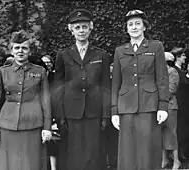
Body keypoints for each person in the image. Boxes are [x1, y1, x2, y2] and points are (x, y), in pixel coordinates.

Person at [111, 9, 169, 170]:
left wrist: (163, 106)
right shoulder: (120, 51)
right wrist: (114, 110)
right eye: (130, 24)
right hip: (126, 107)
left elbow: (162, 78)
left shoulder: (156, 47)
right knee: (127, 152)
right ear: (126, 28)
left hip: (149, 105)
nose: (134, 27)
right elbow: (116, 82)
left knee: (148, 150)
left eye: (138, 23)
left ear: (144, 27)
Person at [53, 8, 110, 170]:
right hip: (71, 113)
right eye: (77, 27)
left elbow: (106, 86)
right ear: (71, 30)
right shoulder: (63, 55)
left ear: (90, 28)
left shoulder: (101, 55)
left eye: (84, 27)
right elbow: (58, 88)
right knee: (72, 155)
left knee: (95, 154)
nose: (81, 31)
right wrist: (60, 116)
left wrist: (106, 115)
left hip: (94, 112)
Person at [0, 30, 52, 170]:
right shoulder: (3, 72)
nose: (20, 51)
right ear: (11, 50)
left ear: (30, 51)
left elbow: (46, 101)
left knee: (31, 164)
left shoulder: (40, 72)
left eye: (24, 48)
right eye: (16, 48)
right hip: (7, 125)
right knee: (8, 164)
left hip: (33, 125)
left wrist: (47, 128)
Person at [162, 52, 181, 170]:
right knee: (162, 133)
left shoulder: (172, 72)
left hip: (170, 106)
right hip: (160, 106)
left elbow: (171, 90)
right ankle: (164, 159)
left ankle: (176, 160)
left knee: (171, 133)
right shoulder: (159, 72)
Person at [41, 54, 59, 170]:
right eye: (44, 62)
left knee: (53, 142)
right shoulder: (36, 77)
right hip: (39, 111)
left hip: (53, 110)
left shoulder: (55, 77)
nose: (47, 64)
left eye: (49, 62)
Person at [171, 46, 189, 161]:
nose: (185, 57)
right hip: (180, 104)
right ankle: (179, 154)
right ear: (178, 57)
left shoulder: (181, 71)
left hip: (184, 105)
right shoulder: (175, 71)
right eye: (183, 55)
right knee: (180, 130)